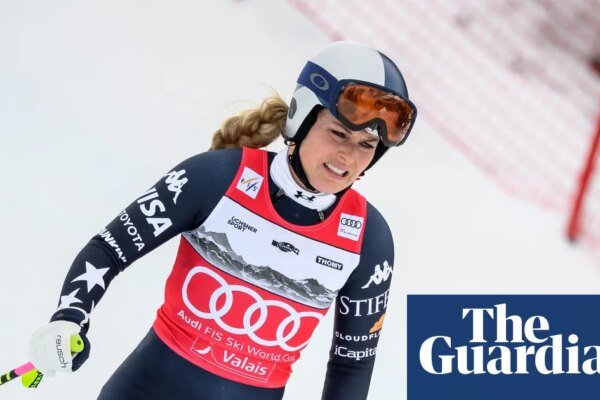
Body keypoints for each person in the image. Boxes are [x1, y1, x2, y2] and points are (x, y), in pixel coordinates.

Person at [27, 41, 417, 399]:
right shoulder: (216, 178)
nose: (348, 156)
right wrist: (69, 317)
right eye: (338, 133)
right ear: (302, 118)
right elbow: (109, 250)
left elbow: (352, 365)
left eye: (367, 145)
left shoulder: (370, 239)